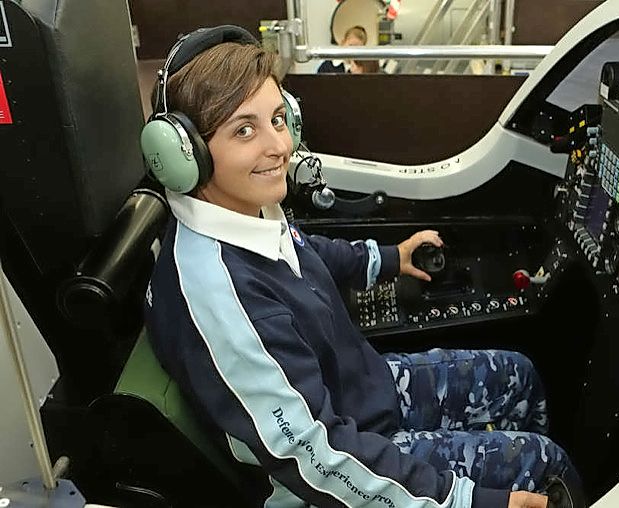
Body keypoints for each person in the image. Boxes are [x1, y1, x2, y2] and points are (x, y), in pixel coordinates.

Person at [143, 25, 579, 508]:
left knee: (520, 377)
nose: (279, 147)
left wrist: (390, 258)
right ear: (187, 156)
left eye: (278, 119)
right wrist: (474, 502)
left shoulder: (239, 209)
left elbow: (304, 249)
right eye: (244, 130)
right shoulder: (223, 299)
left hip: (361, 393)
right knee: (545, 464)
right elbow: (317, 457)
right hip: (335, 467)